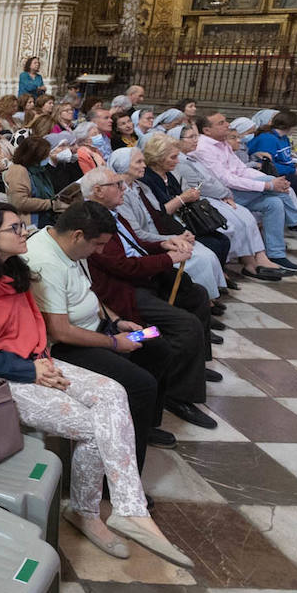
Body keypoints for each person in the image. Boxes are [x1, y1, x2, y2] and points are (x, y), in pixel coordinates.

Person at [0, 203, 192, 567]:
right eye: (15, 228)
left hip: (35, 360)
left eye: (22, 224)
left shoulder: (9, 268)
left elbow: (30, 326)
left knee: (114, 392)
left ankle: (128, 508)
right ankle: (87, 512)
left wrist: (41, 359)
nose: (25, 231)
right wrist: (32, 371)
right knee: (95, 426)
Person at [22, 202, 176, 459]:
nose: (100, 251)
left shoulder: (68, 247)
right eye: (98, 244)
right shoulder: (46, 262)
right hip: (68, 346)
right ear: (78, 235)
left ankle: (142, 423)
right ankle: (118, 470)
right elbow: (60, 332)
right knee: (141, 384)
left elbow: (88, 292)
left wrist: (116, 321)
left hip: (100, 327)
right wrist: (114, 342)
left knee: (157, 343)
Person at [77, 176, 216, 430]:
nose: (124, 189)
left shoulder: (113, 212)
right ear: (98, 190)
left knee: (196, 294)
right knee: (186, 325)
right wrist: (168, 257)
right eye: (117, 185)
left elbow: (135, 245)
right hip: (124, 289)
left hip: (142, 276)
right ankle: (179, 395)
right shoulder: (91, 220)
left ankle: (192, 366)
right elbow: (121, 265)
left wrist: (164, 243)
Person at [192, 112, 297, 273]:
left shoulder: (221, 144)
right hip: (223, 194)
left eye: (226, 121)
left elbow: (242, 170)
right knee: (278, 188)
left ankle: (276, 254)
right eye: (221, 123)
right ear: (207, 130)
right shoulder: (204, 148)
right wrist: (268, 185)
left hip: (239, 189)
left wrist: (269, 179)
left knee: (274, 203)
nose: (227, 125)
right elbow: (226, 180)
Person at [146, 132, 284, 281]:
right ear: (159, 158)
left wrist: (194, 195)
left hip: (185, 214)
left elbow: (211, 180)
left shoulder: (171, 174)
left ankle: (222, 275)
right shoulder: (149, 178)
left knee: (223, 238)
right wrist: (184, 198)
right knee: (214, 241)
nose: (177, 161)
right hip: (169, 221)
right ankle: (210, 284)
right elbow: (160, 211)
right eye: (173, 157)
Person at [109, 148, 227, 300]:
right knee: (199, 258)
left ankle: (205, 297)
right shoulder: (119, 195)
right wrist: (170, 239)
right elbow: (137, 233)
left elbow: (159, 216)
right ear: (123, 166)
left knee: (205, 252)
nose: (144, 165)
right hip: (145, 244)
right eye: (138, 162)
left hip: (159, 236)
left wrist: (180, 234)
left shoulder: (141, 186)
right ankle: (198, 299)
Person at [249, 111, 297, 221]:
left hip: (285, 171)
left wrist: (296, 167)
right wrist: (293, 171)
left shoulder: (284, 138)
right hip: (274, 174)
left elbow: (286, 159)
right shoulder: (268, 139)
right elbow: (266, 164)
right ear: (289, 126)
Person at [4, 135, 71, 228]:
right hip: (34, 218)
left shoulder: (40, 169)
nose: (47, 157)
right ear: (33, 156)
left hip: (49, 213)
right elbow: (20, 202)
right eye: (44, 156)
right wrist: (50, 204)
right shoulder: (19, 170)